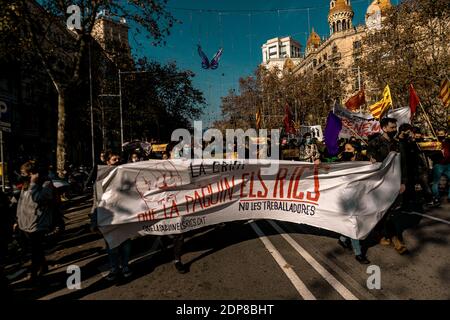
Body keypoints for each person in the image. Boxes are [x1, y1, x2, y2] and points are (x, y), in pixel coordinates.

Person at [90, 151, 133, 281]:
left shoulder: (126, 176)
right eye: (115, 160)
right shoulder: (100, 180)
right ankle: (114, 268)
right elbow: (96, 201)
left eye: (119, 159)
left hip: (125, 215)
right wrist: (94, 220)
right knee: (111, 245)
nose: (118, 161)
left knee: (125, 243)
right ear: (107, 162)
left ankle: (125, 266)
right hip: (109, 217)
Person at [367, 117, 407, 255]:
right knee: (384, 211)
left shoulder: (398, 144)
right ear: (384, 128)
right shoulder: (375, 143)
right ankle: (395, 240)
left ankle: (385, 234)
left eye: (395, 127)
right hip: (379, 183)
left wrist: (403, 182)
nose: (394, 130)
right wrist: (371, 157)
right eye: (391, 128)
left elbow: (403, 164)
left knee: (391, 212)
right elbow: (370, 159)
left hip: (394, 183)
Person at [15, 161, 56, 284]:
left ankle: (33, 274)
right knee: (35, 248)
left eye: (24, 173)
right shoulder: (26, 184)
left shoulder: (46, 184)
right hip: (25, 222)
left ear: (33, 173)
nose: (22, 175)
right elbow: (21, 202)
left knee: (35, 249)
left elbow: (38, 198)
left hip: (38, 222)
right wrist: (17, 219)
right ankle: (43, 266)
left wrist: (33, 183)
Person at [337, 141, 370, 264]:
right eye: (345, 148)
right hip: (347, 196)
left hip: (361, 195)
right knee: (353, 222)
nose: (346, 151)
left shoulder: (364, 161)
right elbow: (328, 169)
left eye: (349, 149)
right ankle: (358, 253)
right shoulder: (341, 162)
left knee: (357, 220)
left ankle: (342, 238)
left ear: (355, 150)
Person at [431, 130, 450, 204]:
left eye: (442, 134)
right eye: (439, 134)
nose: (441, 135)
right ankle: (436, 197)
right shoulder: (434, 143)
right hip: (438, 165)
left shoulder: (448, 142)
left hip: (448, 165)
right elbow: (431, 154)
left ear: (445, 134)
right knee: (436, 182)